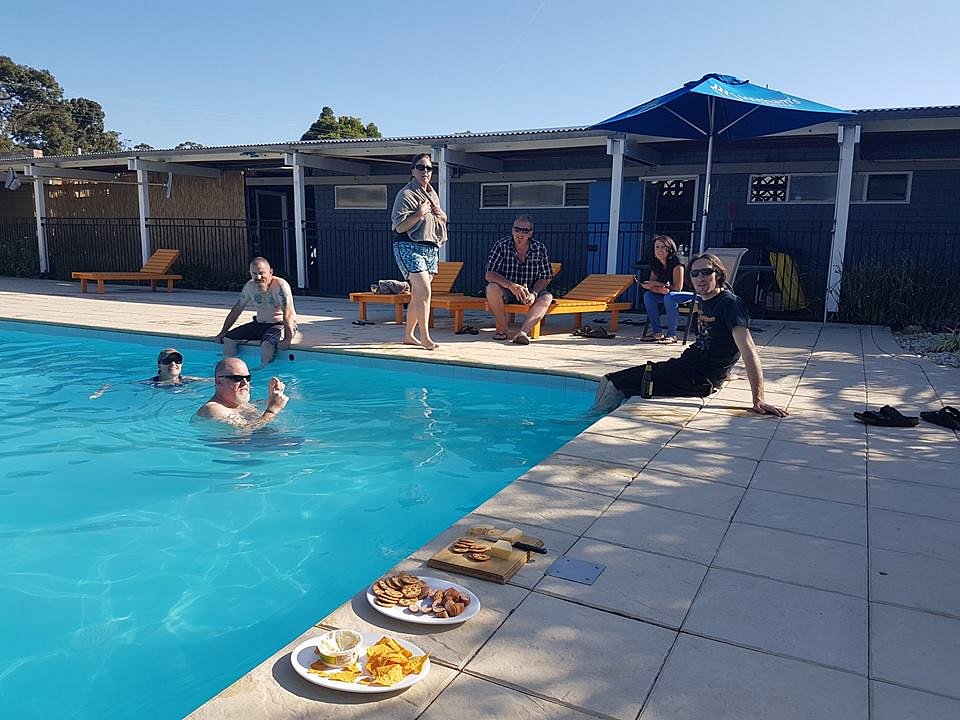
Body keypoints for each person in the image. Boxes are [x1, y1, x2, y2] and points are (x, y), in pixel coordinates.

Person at [594, 252, 788, 417]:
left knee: (614, 383)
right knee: (609, 379)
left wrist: (758, 398)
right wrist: (726, 371)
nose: (700, 277)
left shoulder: (730, 303)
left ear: (718, 274)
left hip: (698, 380)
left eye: (706, 272)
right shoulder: (705, 299)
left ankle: (588, 421)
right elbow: (717, 340)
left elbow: (748, 350)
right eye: (695, 273)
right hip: (685, 367)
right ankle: (595, 415)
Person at [390, 153, 447, 351]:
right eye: (421, 167)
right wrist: (419, 214)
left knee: (418, 294)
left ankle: (408, 336)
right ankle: (425, 337)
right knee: (424, 291)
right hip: (408, 246)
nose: (425, 171)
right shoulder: (405, 195)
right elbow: (399, 226)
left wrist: (443, 217)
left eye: (429, 168)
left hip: (430, 248)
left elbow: (437, 222)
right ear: (413, 171)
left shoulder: (432, 194)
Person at [215, 257, 298, 367]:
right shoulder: (250, 286)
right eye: (254, 274)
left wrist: (287, 338)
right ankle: (228, 368)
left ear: (270, 272)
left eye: (261, 273)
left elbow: (288, 313)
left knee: (267, 344)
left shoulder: (280, 285)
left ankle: (264, 371)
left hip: (280, 325)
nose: (258, 277)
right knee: (229, 339)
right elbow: (237, 309)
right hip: (259, 324)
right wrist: (223, 332)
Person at [484, 215, 554, 345]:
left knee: (547, 297)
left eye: (525, 230)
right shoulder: (501, 246)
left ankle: (523, 333)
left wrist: (534, 294)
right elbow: (490, 274)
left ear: (531, 233)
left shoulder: (539, 249)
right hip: (507, 290)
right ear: (512, 230)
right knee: (491, 288)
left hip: (531, 290)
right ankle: (502, 328)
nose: (520, 234)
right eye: (517, 229)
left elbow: (545, 276)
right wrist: (511, 286)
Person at [196, 357, 289, 429]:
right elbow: (245, 431)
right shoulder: (213, 409)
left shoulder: (239, 405)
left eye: (247, 378)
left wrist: (273, 398)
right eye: (237, 378)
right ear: (219, 381)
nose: (245, 383)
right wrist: (273, 409)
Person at [641, 234, 696, 344]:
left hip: (689, 293)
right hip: (668, 293)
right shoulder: (656, 263)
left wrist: (658, 285)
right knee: (648, 296)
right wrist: (657, 288)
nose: (659, 250)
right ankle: (657, 332)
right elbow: (652, 286)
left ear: (670, 248)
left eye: (663, 247)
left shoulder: (677, 262)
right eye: (657, 247)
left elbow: (677, 288)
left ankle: (672, 334)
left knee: (670, 297)